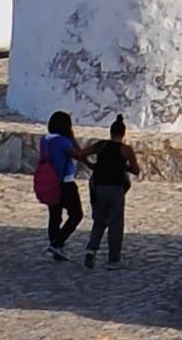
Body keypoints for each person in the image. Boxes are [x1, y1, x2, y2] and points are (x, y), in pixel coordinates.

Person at [81, 118, 142, 270]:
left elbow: (81, 153)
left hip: (99, 186)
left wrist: (92, 165)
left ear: (110, 132)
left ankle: (91, 250)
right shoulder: (126, 150)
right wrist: (123, 166)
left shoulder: (101, 145)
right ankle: (113, 260)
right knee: (115, 223)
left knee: (99, 220)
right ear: (123, 133)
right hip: (116, 188)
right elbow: (136, 170)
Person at [41, 110, 84, 260]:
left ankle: (55, 244)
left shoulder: (45, 140)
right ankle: (58, 243)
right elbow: (79, 154)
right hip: (65, 183)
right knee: (76, 214)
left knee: (54, 216)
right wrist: (72, 137)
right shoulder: (64, 142)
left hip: (50, 182)